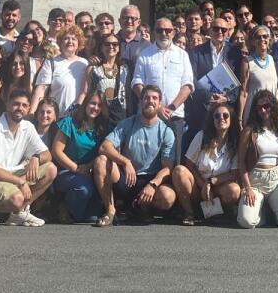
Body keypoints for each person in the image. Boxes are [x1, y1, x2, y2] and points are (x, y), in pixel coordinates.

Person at [92, 85, 177, 225]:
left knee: (168, 197)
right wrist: (126, 162)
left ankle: (143, 208)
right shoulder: (127, 123)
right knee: (101, 160)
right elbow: (104, 147)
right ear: (140, 102)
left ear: (159, 104)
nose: (150, 101)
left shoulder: (166, 131)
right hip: (126, 177)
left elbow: (167, 168)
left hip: (149, 179)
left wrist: (153, 184)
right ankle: (111, 211)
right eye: (146, 98)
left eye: (154, 98)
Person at [0, 86, 58, 228]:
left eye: (24, 105)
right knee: (16, 199)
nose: (19, 108)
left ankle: (18, 214)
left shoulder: (27, 126)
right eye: (16, 104)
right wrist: (21, 183)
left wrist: (36, 157)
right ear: (8, 104)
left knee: (51, 169)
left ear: (28, 109)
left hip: (16, 174)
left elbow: (47, 155)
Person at [131, 17, 194, 156]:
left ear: (173, 32)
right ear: (154, 32)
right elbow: (137, 83)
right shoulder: (145, 54)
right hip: (148, 115)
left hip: (174, 116)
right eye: (160, 30)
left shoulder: (182, 55)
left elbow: (188, 85)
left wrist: (171, 108)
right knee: (147, 157)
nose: (164, 34)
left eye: (168, 30)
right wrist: (157, 107)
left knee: (172, 159)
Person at [236, 90, 278, 229]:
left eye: (266, 106)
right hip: (255, 180)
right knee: (247, 222)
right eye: (259, 107)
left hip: (275, 180)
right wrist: (248, 188)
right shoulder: (249, 130)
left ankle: (268, 206)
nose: (263, 110)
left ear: (273, 106)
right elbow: (240, 161)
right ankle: (260, 210)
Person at [173, 101, 241, 225]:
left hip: (219, 186)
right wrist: (202, 183)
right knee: (179, 171)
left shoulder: (235, 142)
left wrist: (213, 181)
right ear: (212, 119)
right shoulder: (201, 136)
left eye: (225, 116)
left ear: (231, 119)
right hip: (197, 186)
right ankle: (190, 213)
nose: (221, 118)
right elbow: (189, 164)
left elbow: (235, 173)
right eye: (217, 116)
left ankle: (219, 212)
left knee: (235, 190)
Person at [51, 90, 111, 224]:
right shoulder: (70, 122)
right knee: (83, 190)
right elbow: (56, 150)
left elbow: (104, 152)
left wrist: (89, 167)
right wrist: (76, 168)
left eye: (99, 105)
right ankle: (64, 207)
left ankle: (75, 211)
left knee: (92, 218)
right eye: (92, 103)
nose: (95, 108)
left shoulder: (103, 128)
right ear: (85, 104)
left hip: (91, 174)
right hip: (67, 172)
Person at [31, 25, 88, 115]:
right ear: (60, 42)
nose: (70, 41)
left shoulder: (84, 63)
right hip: (55, 117)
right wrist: (31, 112)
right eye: (66, 38)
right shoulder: (51, 62)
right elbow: (41, 89)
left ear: (79, 43)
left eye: (74, 39)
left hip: (76, 117)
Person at [239, 24, 278, 124]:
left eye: (265, 36)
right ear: (253, 41)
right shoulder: (247, 62)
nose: (262, 39)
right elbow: (243, 92)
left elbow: (277, 90)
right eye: (258, 37)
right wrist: (240, 118)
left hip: (272, 112)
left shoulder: (272, 60)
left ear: (269, 40)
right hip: (254, 112)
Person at [80, 33, 128, 123]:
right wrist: (76, 109)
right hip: (99, 115)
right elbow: (84, 92)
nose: (111, 46)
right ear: (101, 47)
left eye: (115, 44)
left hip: (121, 117)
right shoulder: (93, 69)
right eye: (107, 44)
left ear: (119, 48)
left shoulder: (126, 68)